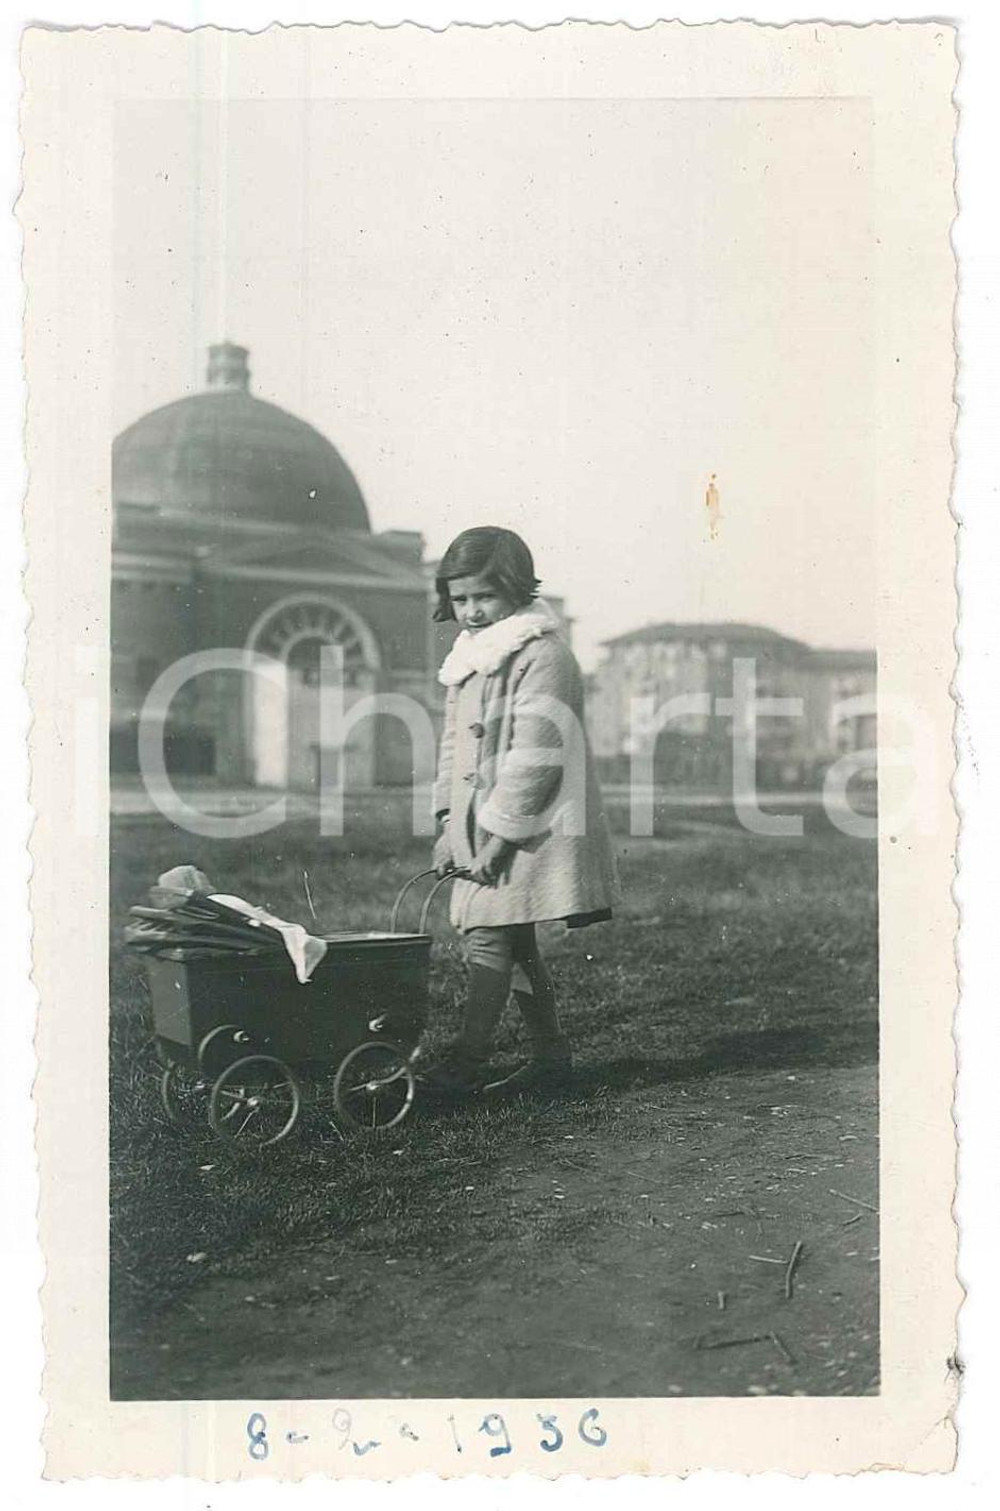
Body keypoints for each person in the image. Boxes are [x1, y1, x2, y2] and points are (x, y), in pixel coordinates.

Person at [422, 525, 620, 1094]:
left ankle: (467, 1061)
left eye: (484, 597)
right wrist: (445, 824)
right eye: (460, 600)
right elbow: (453, 748)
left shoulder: (543, 655)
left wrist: (500, 836)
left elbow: (537, 755)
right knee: (514, 939)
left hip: (531, 827)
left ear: (514, 588)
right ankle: (551, 1057)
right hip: (480, 826)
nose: (472, 612)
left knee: (487, 932)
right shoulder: (471, 659)